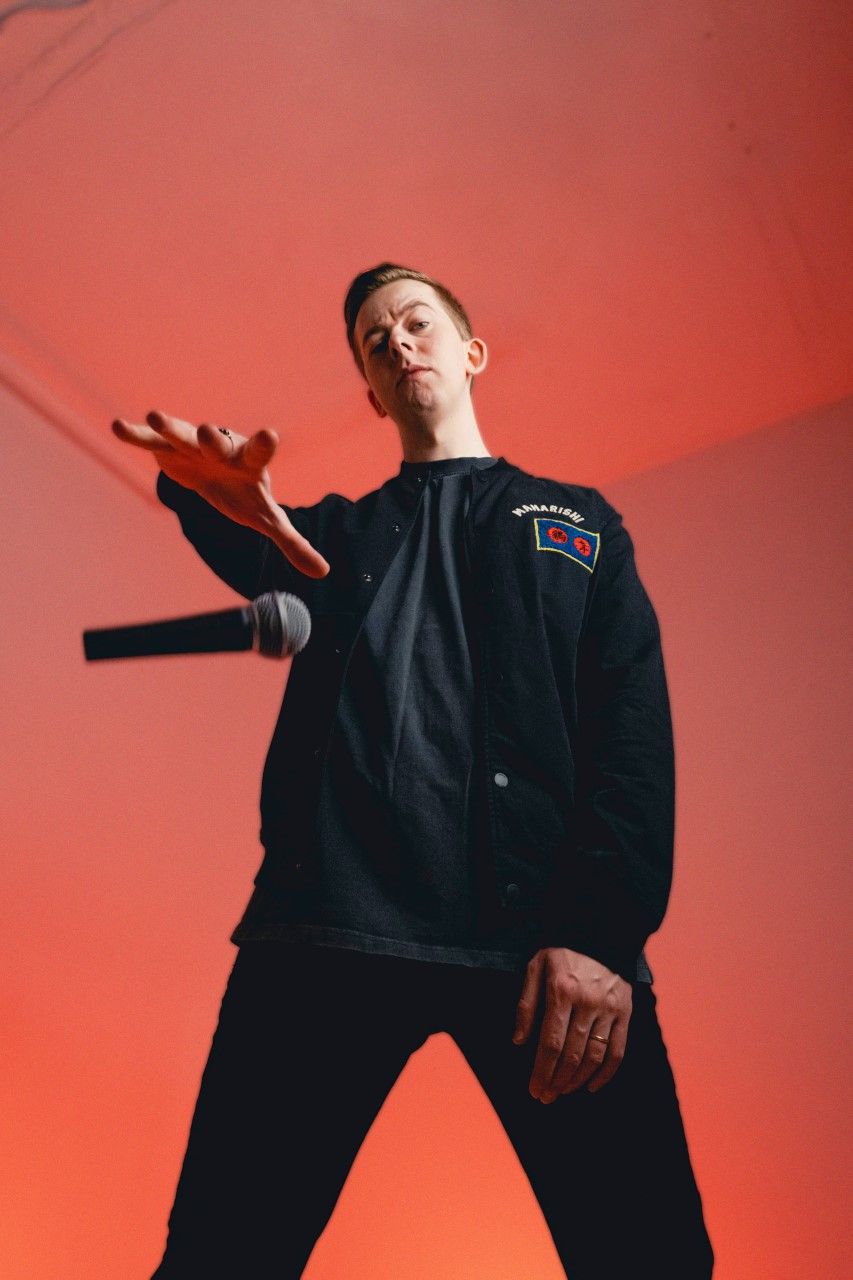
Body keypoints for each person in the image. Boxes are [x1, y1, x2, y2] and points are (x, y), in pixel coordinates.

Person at [113, 263, 714, 1278]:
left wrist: (601, 934)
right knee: (220, 1254)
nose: (396, 343)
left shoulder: (577, 524)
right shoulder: (330, 537)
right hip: (327, 929)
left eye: (415, 323)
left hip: (545, 952)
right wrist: (196, 491)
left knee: (649, 1257)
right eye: (373, 341)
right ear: (370, 392)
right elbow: (260, 543)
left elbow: (630, 733)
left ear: (470, 352)